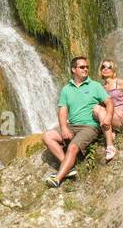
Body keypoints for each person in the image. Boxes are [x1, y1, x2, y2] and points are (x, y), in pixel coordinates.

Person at [42, 56, 114, 187]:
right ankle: (68, 167)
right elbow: (62, 110)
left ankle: (57, 179)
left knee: (73, 147)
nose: (85, 69)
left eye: (87, 67)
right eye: (82, 67)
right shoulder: (66, 89)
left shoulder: (95, 86)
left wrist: (108, 116)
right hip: (72, 125)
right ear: (73, 69)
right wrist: (64, 127)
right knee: (47, 136)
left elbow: (109, 102)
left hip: (89, 126)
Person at [98, 59, 123, 161]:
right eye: (103, 67)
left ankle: (110, 142)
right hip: (111, 116)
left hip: (122, 116)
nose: (105, 69)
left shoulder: (119, 82)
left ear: (113, 70)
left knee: (101, 110)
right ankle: (111, 133)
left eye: (109, 67)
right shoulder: (101, 88)